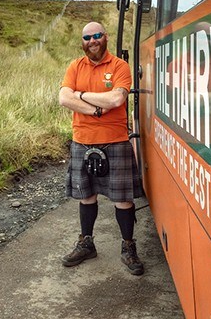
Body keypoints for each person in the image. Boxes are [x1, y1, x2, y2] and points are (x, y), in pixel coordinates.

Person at [58, 21, 144, 275]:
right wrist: (98, 109)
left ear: (105, 37)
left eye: (97, 35)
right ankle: (87, 243)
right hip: (82, 140)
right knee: (86, 195)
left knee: (123, 199)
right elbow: (64, 98)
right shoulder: (75, 66)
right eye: (87, 37)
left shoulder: (120, 66)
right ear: (82, 41)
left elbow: (117, 98)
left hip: (115, 140)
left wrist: (81, 95)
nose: (92, 41)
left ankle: (128, 246)